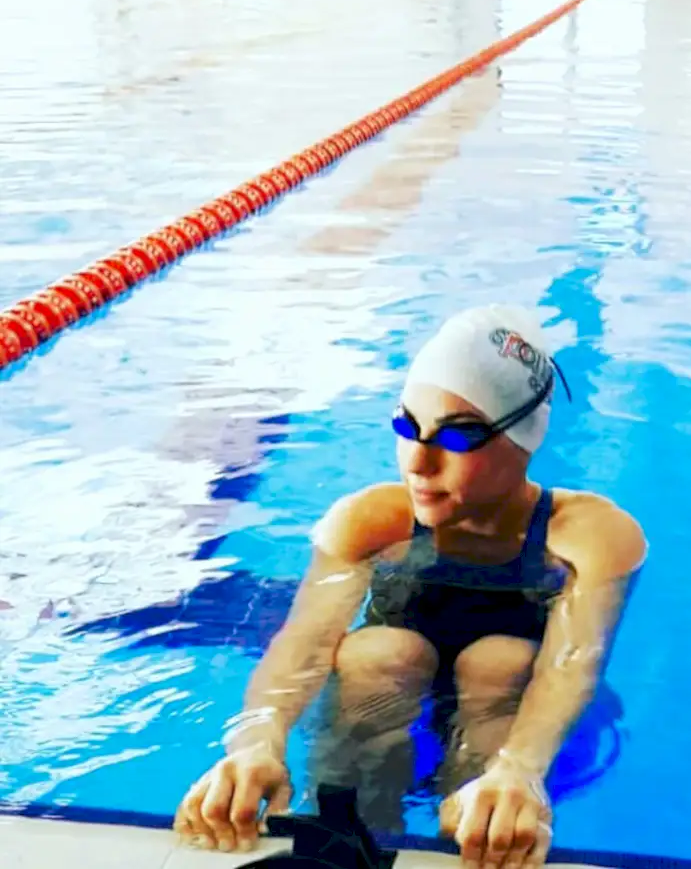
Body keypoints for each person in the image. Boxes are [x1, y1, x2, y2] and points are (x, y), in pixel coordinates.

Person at [173, 304, 647, 867]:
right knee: (378, 651)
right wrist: (258, 740)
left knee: (500, 663)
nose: (419, 462)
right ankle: (347, 836)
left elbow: (572, 665)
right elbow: (305, 644)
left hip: (512, 704)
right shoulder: (370, 521)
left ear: (523, 440)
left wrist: (520, 769)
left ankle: (479, 832)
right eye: (406, 425)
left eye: (459, 436)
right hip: (384, 694)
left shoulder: (589, 536)